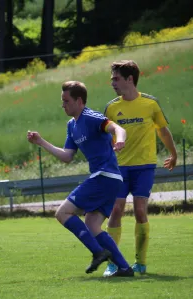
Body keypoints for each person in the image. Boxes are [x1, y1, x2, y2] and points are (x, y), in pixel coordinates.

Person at [26, 81, 134, 277]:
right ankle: (124, 268)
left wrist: (120, 140)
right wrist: (41, 142)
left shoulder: (92, 117)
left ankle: (98, 252)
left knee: (62, 213)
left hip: (105, 176)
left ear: (79, 101)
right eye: (62, 101)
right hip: (108, 179)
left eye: (66, 101)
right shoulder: (71, 125)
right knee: (92, 225)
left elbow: (119, 129)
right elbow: (67, 156)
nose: (63, 105)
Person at [103, 60, 178, 276]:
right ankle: (113, 263)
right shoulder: (111, 107)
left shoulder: (150, 104)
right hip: (119, 168)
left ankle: (140, 262)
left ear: (129, 79)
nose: (113, 83)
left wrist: (173, 154)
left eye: (116, 79)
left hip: (144, 167)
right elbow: (105, 136)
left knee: (139, 210)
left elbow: (163, 131)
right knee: (115, 210)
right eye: (111, 79)